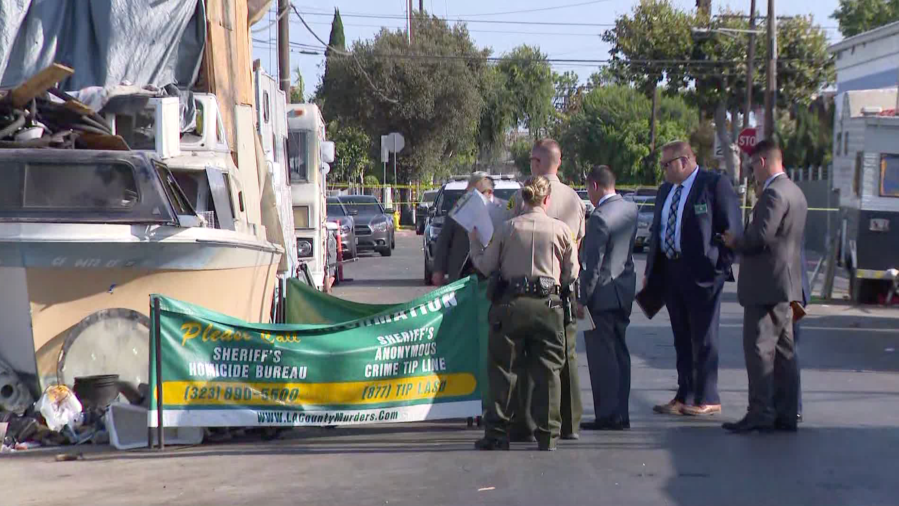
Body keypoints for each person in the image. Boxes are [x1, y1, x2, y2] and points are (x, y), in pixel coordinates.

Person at [468, 175, 579, 451]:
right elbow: (571, 273)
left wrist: (473, 243)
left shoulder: (507, 229)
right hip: (549, 305)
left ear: (522, 200)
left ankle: (497, 433)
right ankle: (549, 435)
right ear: (547, 199)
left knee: (503, 370)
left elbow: (485, 265)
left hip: (511, 304)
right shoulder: (561, 230)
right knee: (550, 371)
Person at [642, 140, 742, 417]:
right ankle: (684, 393)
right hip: (672, 272)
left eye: (666, 164)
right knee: (681, 337)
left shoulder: (713, 184)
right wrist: (651, 272)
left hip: (703, 275)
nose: (663, 170)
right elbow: (657, 233)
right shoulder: (665, 191)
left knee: (705, 337)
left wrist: (718, 267)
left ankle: (708, 396)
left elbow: (732, 230)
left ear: (684, 161)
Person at [722, 139, 808, 433]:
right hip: (788, 285)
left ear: (761, 162)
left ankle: (760, 411)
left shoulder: (773, 195)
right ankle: (785, 413)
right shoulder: (795, 191)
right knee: (785, 353)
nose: (751, 173)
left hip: (766, 285)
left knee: (760, 349)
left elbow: (761, 236)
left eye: (752, 167)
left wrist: (735, 241)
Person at [508, 139, 586, 441]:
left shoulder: (524, 194)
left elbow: (509, 228)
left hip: (529, 287)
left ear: (538, 163)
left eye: (531, 160)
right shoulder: (575, 199)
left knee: (527, 355)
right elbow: (578, 241)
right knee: (566, 355)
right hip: (564, 285)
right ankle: (568, 423)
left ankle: (526, 421)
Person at [576, 166, 638, 431]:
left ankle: (607, 415)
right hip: (623, 289)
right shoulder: (630, 209)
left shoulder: (599, 218)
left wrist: (581, 299)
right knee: (620, 355)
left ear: (594, 186)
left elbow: (592, 265)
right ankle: (620, 412)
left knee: (602, 358)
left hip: (601, 294)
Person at [431, 172, 499, 286]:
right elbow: (444, 240)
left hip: (490, 274)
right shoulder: (458, 209)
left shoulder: (501, 209)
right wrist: (439, 270)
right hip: (461, 272)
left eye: (475, 194)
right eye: (468, 193)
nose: (470, 197)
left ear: (489, 192)